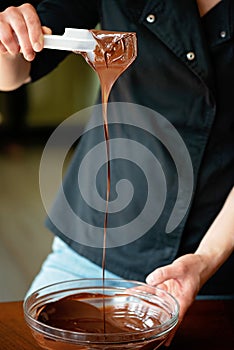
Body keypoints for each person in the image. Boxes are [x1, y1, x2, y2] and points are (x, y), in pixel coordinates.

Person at [0, 0, 233, 345]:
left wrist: (204, 260)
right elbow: (13, 74)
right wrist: (8, 40)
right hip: (95, 241)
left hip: (215, 263)